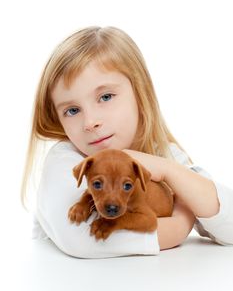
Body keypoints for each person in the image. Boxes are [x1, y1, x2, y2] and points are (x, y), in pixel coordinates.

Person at [21, 26, 233, 258]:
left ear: (140, 93)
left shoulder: (164, 155)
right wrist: (180, 225)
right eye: (72, 110)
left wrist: (167, 169)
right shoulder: (64, 159)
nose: (90, 122)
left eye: (105, 97)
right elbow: (82, 238)